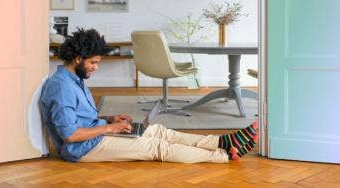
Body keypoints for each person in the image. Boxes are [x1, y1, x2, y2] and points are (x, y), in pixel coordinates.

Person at [40, 28, 259, 163]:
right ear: (78, 58)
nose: (96, 67)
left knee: (157, 131)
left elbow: (79, 118)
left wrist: (110, 119)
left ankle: (221, 141)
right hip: (82, 148)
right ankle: (224, 155)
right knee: (157, 146)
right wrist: (110, 128)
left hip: (96, 135)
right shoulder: (61, 87)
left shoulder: (74, 81)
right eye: (94, 62)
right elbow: (70, 135)